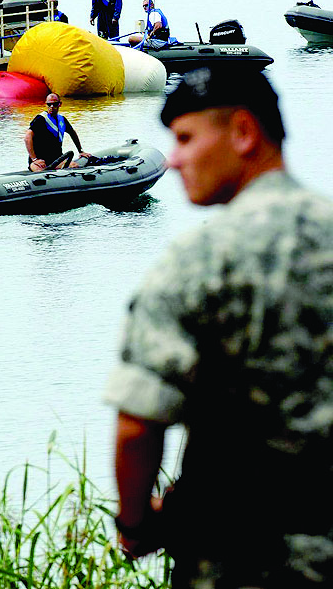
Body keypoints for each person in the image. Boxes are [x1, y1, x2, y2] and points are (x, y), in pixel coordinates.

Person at [104, 67, 332, 587]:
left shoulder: (199, 260)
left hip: (240, 559)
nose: (176, 158)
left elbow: (138, 424)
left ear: (244, 133)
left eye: (185, 138)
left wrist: (136, 524)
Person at [24, 94, 91, 171]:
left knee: (74, 166)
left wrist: (81, 151)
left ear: (60, 104)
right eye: (49, 104)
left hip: (57, 159)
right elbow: (27, 138)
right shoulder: (41, 119)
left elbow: (73, 133)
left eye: (55, 104)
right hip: (40, 161)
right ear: (46, 104)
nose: (52, 107)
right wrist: (34, 159)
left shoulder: (62, 120)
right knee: (40, 172)